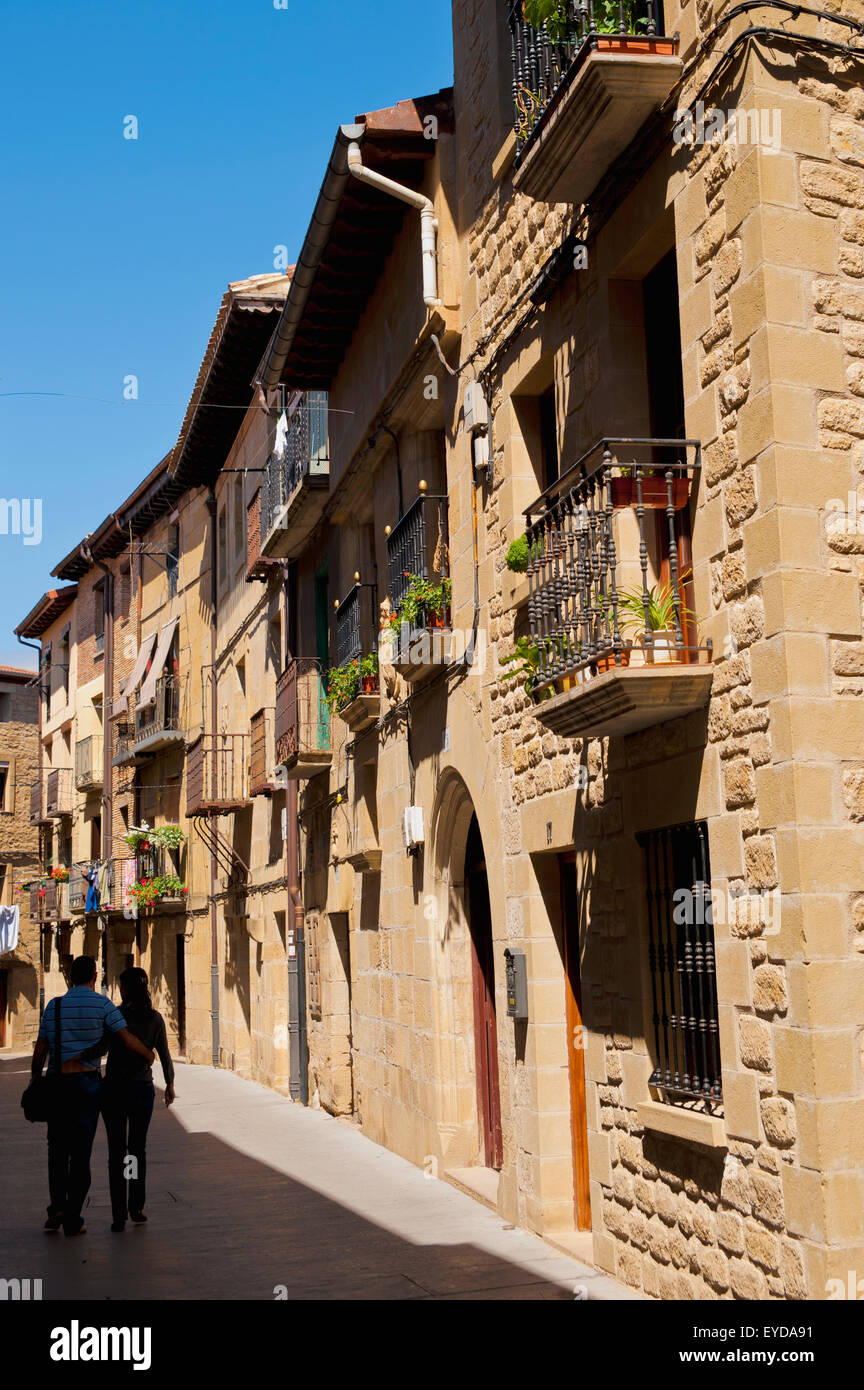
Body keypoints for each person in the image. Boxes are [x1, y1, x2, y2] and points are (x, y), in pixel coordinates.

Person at [29, 955, 156, 1237]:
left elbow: (41, 1048)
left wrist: (35, 1078)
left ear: (70, 976)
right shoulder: (102, 1004)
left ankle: (56, 1208)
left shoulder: (54, 1005)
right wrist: (148, 1054)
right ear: (95, 977)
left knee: (57, 1150)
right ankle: (74, 1215)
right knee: (81, 1152)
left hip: (58, 1083)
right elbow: (124, 1037)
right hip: (86, 1085)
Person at [99, 967, 175, 1233]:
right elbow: (164, 1054)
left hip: (114, 1091)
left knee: (117, 1152)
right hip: (141, 1090)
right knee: (136, 1150)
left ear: (123, 990)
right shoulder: (155, 1019)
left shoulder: (114, 1016)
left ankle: (118, 1213)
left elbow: (100, 1048)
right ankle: (136, 1206)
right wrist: (169, 1084)